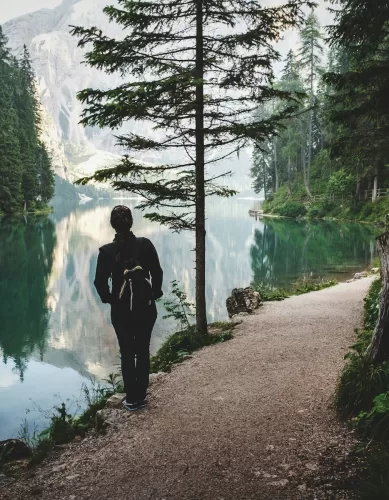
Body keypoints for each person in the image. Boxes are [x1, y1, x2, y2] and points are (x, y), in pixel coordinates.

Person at [94, 205, 163, 411]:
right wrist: (154, 293)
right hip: (146, 307)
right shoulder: (145, 245)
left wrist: (110, 299)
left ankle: (131, 398)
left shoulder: (106, 252)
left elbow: (99, 282)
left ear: (112, 224)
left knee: (126, 351)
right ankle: (142, 395)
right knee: (142, 350)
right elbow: (157, 273)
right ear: (131, 222)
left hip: (121, 310)